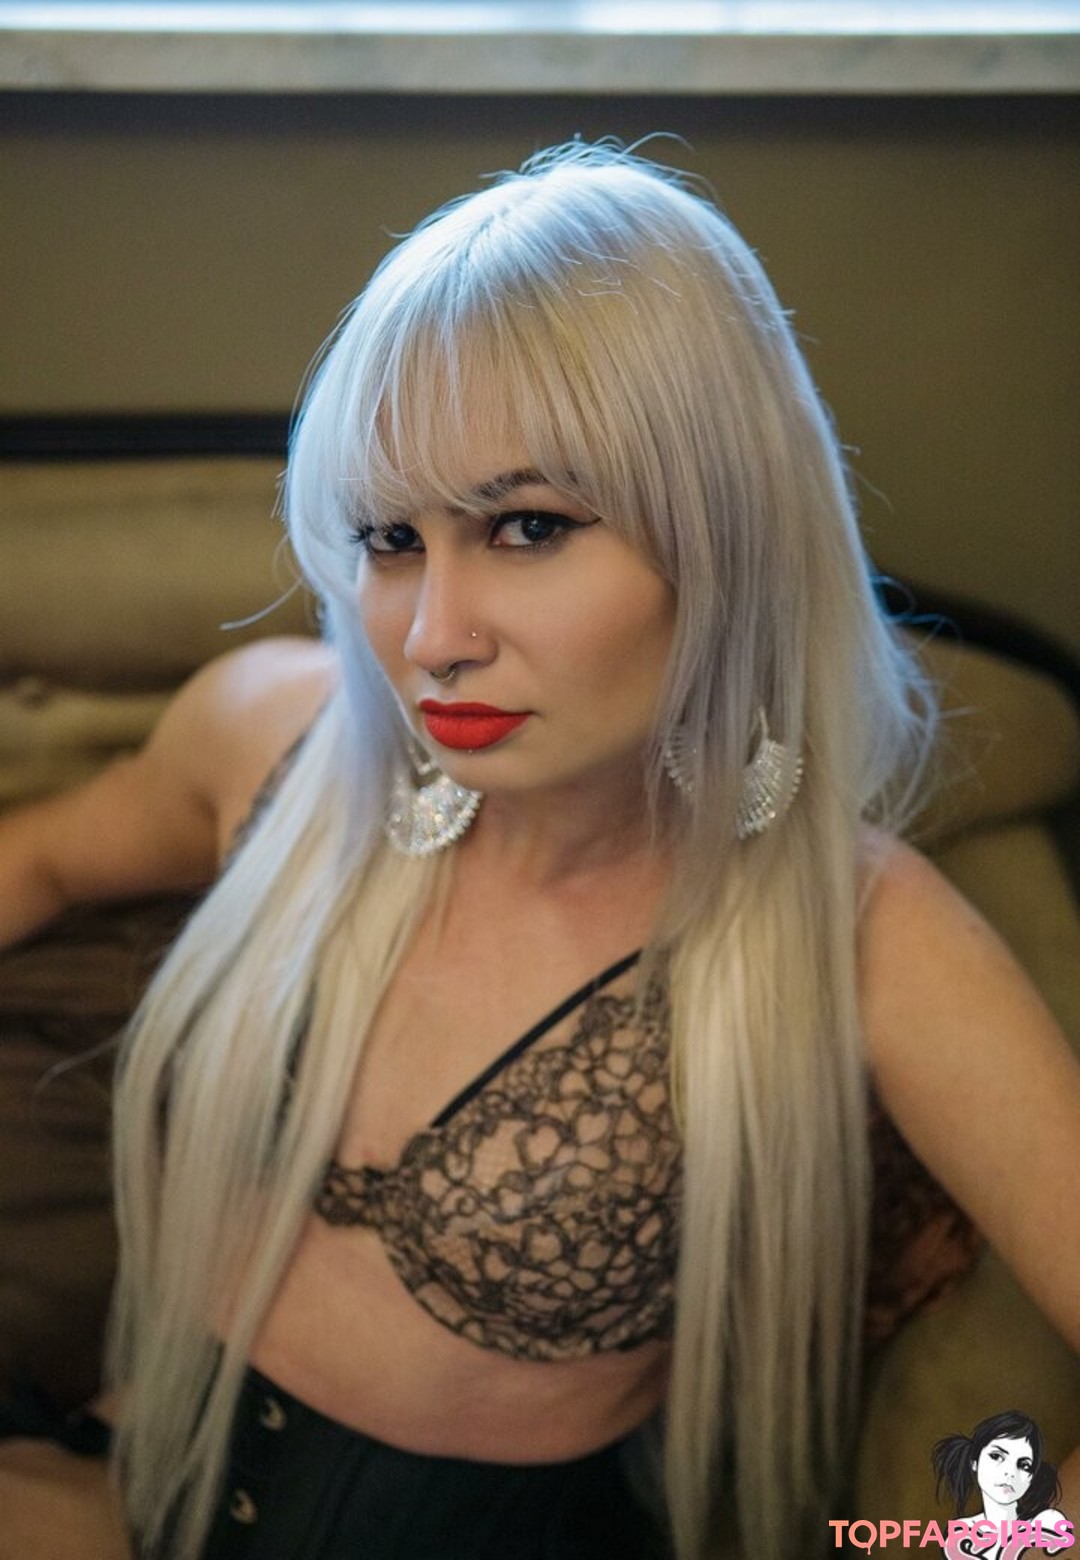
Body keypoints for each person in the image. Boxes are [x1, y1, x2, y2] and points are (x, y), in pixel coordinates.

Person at [0, 140, 1077, 1560]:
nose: (433, 635)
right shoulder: (274, 737)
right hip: (128, 1480)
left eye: (526, 526)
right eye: (391, 537)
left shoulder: (859, 932)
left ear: (728, 541)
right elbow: (42, 862)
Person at [933, 1411, 1072, 1559]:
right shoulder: (960, 1533)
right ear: (974, 1462)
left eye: (1024, 1465)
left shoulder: (1047, 1522)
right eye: (996, 1456)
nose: (1010, 1472)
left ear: (1032, 1477)